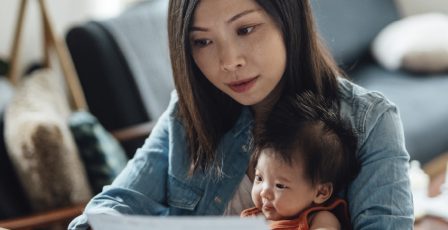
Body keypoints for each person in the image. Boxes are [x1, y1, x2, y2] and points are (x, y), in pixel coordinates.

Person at [69, 0, 413, 229]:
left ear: (289, 21)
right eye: (202, 42)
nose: (228, 61)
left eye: (246, 29)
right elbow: (115, 204)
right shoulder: (187, 114)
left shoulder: (370, 121)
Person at [240, 91, 360, 230]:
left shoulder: (319, 218)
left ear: (321, 192)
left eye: (280, 185)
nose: (264, 192)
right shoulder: (253, 219)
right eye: (259, 178)